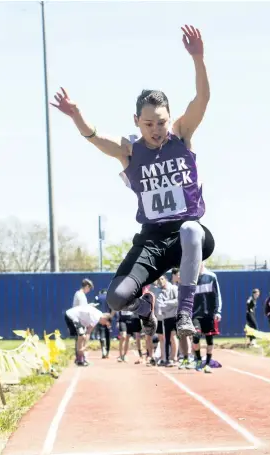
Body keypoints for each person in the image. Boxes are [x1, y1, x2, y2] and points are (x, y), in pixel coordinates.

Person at [51, 24, 214, 339]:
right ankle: (145, 307)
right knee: (116, 297)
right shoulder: (131, 151)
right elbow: (95, 137)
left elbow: (202, 99)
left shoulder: (181, 135)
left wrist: (198, 58)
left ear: (170, 119)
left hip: (188, 237)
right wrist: (76, 116)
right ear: (137, 121)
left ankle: (184, 313)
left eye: (161, 122)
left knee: (192, 228)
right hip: (152, 240)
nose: (156, 130)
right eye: (149, 123)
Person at [185, 262, 222, 373]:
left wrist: (218, 312)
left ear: (203, 263)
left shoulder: (211, 276)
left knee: (209, 339)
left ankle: (208, 364)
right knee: (196, 336)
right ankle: (199, 360)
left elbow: (217, 296)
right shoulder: (191, 279)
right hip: (196, 314)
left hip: (209, 314)